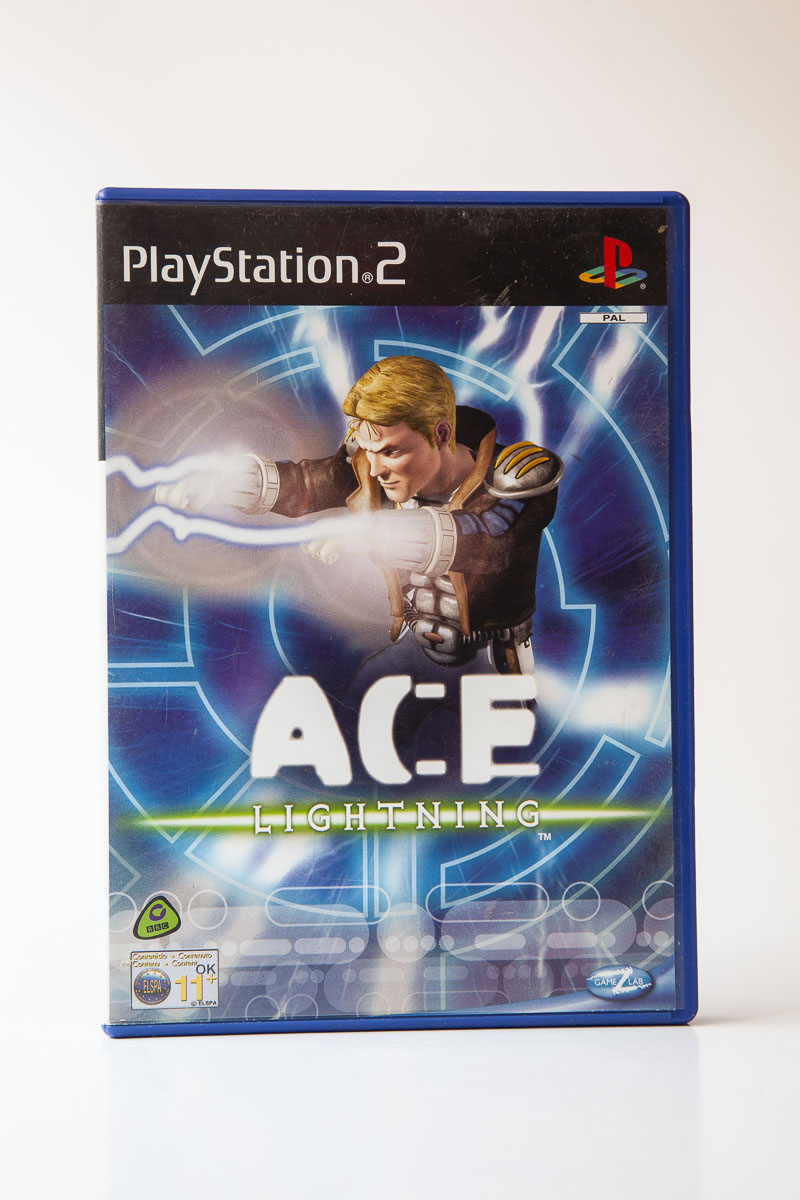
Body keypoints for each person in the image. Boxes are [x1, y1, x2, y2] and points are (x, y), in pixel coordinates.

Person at [157, 356, 562, 672]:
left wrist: (373, 534)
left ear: (441, 434)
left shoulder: (517, 477)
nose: (377, 468)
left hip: (496, 656)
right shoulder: (370, 464)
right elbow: (310, 483)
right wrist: (223, 482)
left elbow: (485, 539)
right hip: (412, 644)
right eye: (369, 450)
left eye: (391, 451)